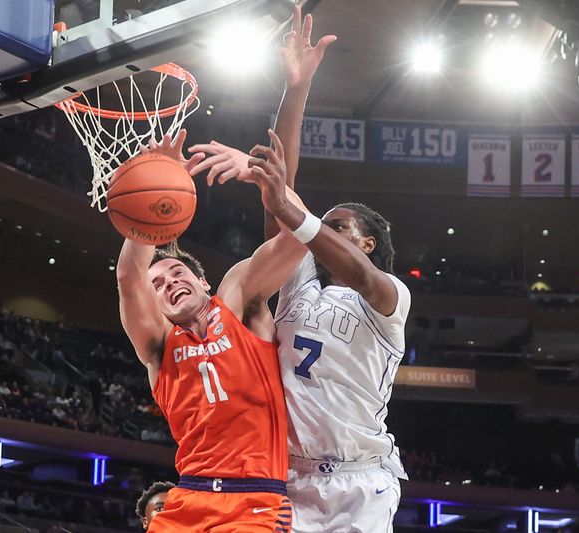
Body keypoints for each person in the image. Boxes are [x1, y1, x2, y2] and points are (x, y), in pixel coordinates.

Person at [189, 6, 410, 532]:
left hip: (362, 481)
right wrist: (296, 87)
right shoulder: (299, 287)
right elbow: (281, 198)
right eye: (321, 223)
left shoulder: (389, 298)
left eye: (339, 226)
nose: (322, 230)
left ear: (368, 241)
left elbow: (353, 269)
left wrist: (296, 210)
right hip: (287, 478)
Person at [117, 129, 305, 532]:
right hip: (188, 497)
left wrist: (261, 177)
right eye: (160, 285)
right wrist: (152, 189)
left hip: (254, 499)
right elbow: (129, 275)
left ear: (202, 281)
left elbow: (300, 240)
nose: (169, 283)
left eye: (177, 272)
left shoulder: (237, 301)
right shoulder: (158, 344)